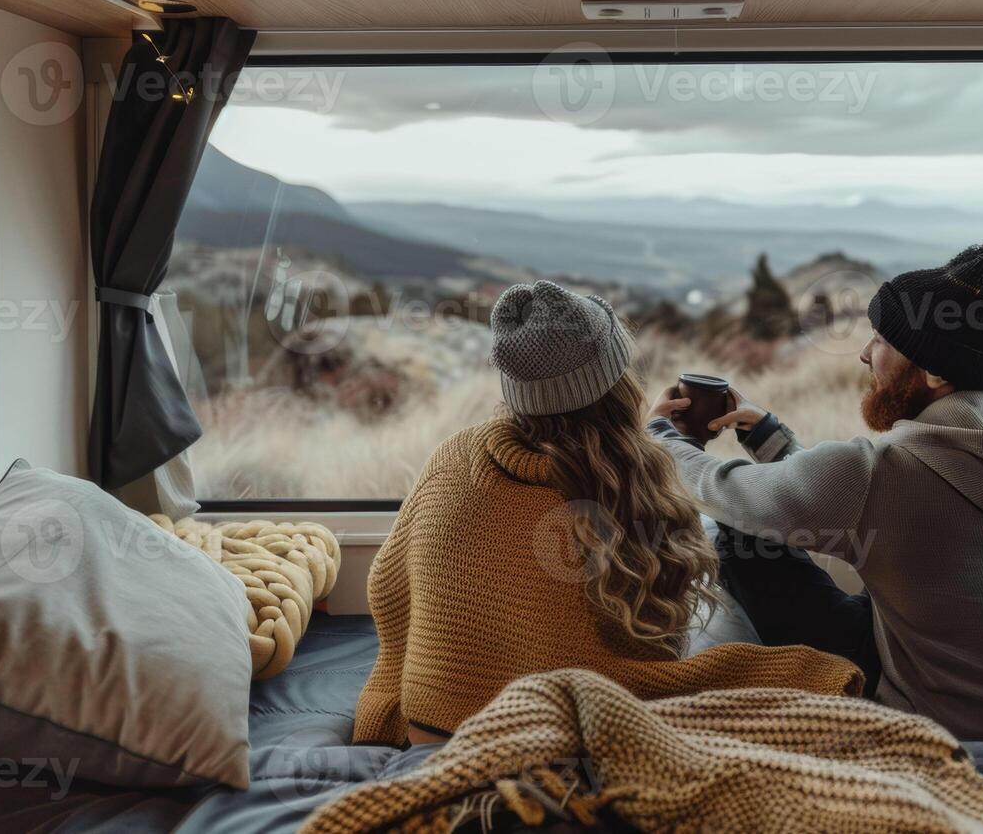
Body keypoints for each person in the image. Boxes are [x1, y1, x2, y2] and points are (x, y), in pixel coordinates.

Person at [355, 280, 861, 748]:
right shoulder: (624, 489)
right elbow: (655, 643)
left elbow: (385, 582)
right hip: (537, 734)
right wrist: (653, 450)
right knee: (734, 620)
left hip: (430, 723)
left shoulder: (452, 455)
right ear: (615, 383)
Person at [647, 243, 983, 741]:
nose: (865, 353)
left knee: (744, 542)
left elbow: (730, 491)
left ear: (934, 373)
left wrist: (660, 436)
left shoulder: (884, 474)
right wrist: (769, 436)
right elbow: (859, 500)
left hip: (952, 728)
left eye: (881, 339)